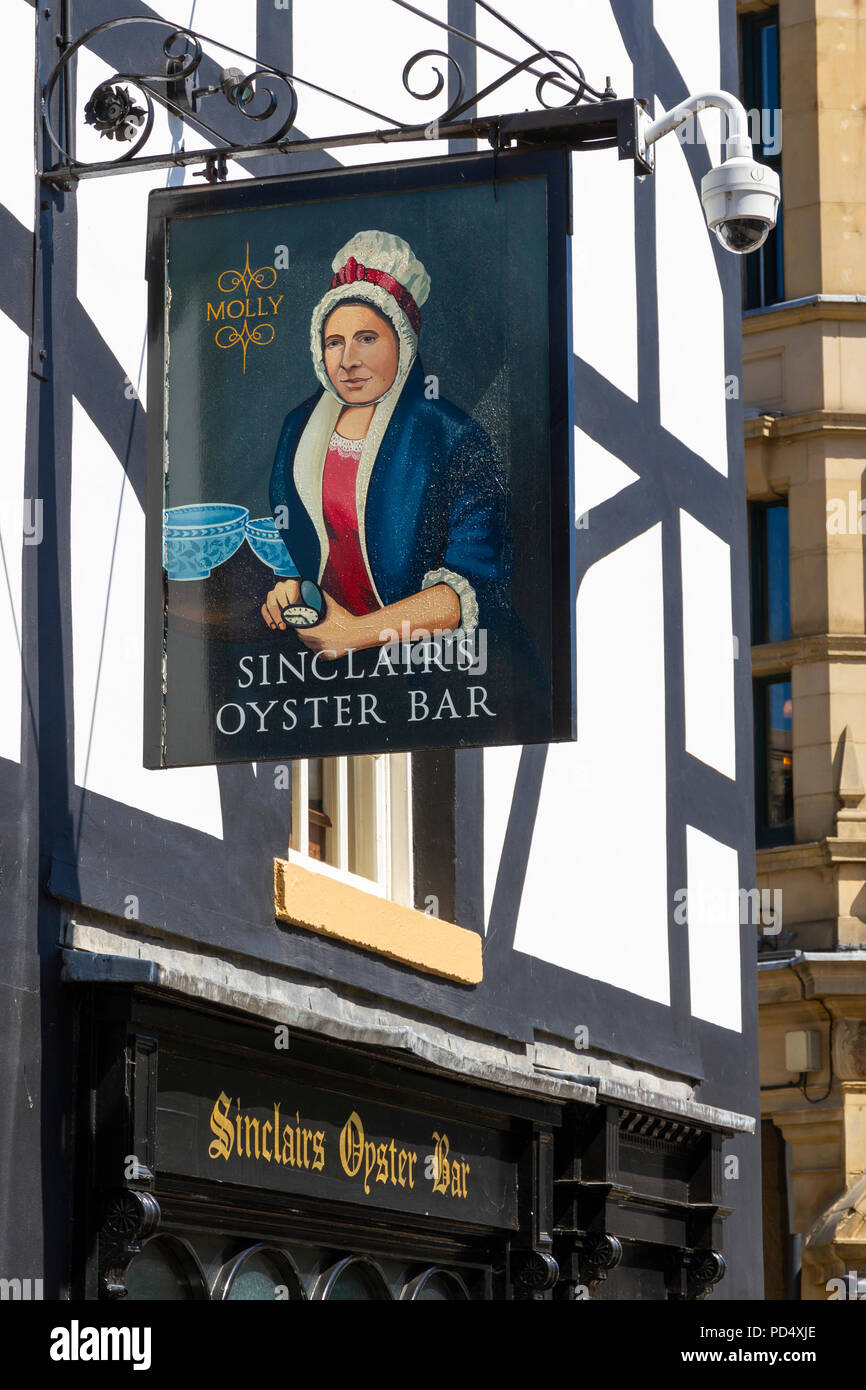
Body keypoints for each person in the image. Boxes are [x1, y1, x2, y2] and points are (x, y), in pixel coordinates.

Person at [261, 230, 516, 662]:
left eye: (366, 338)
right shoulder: (299, 430)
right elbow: (305, 546)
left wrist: (356, 633)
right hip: (328, 662)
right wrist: (295, 591)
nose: (348, 361)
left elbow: (474, 585)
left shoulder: (453, 437)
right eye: (334, 342)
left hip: (429, 666)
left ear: (403, 343)